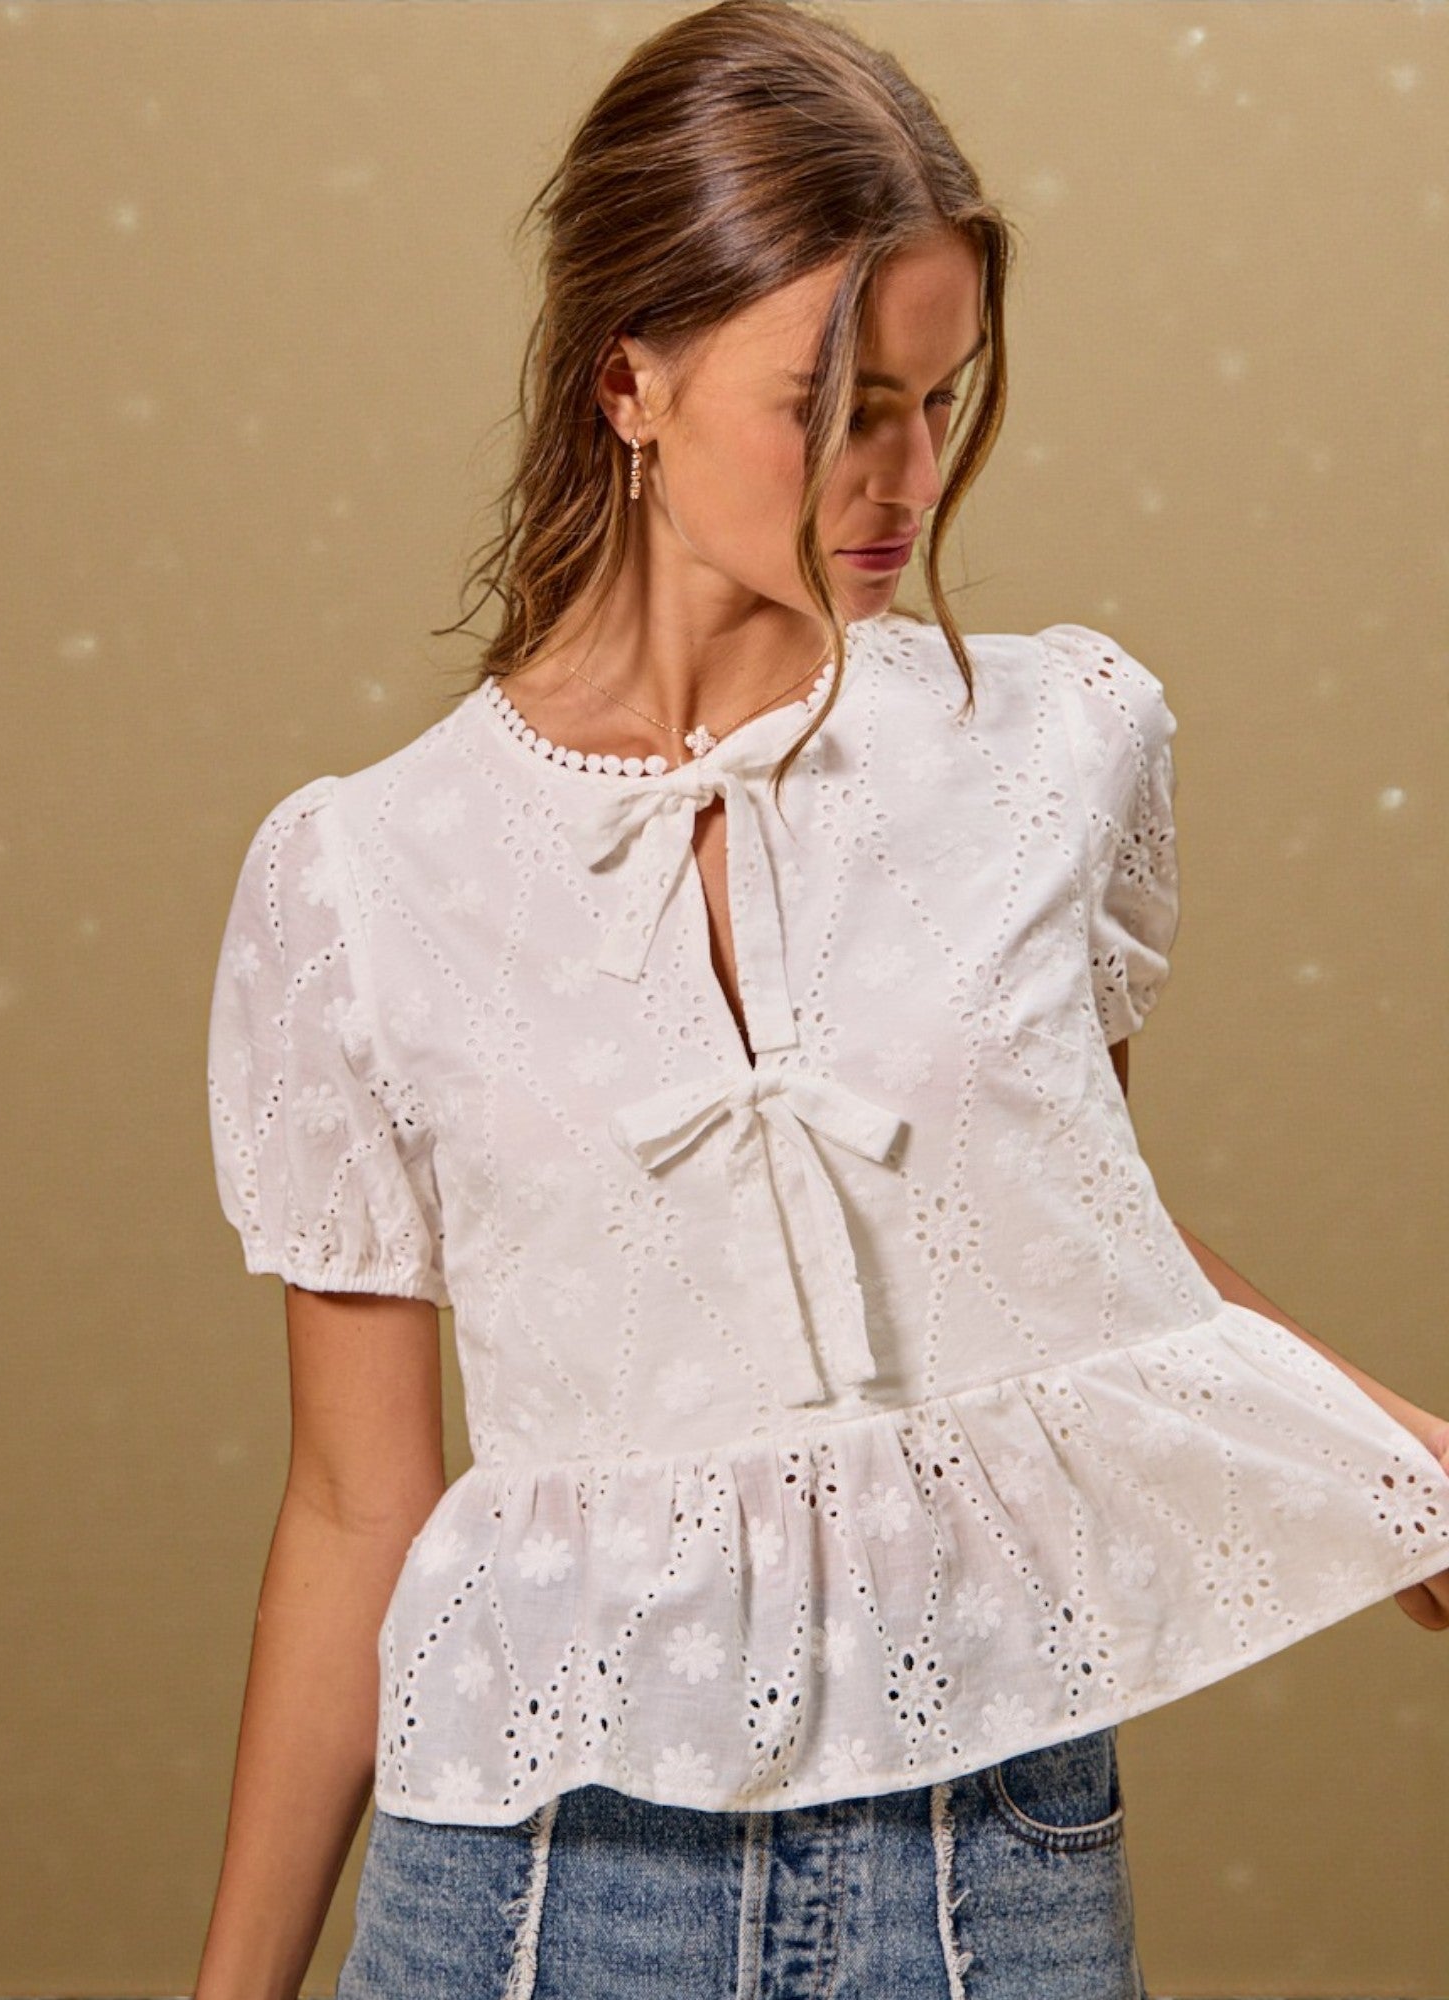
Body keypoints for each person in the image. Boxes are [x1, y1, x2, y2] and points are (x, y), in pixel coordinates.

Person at [191, 4, 1449, 1995]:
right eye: (836, 405)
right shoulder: (365, 873)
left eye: (939, 400)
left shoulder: (1051, 749)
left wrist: (1400, 1465)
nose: (905, 475)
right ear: (629, 377)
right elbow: (359, 1509)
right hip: (529, 1883)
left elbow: (1083, 1257)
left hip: (986, 1863)